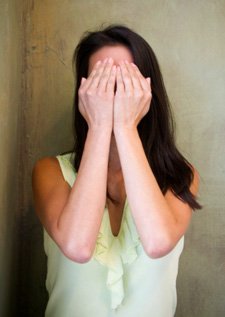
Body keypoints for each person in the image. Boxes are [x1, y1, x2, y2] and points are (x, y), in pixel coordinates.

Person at [32, 25, 201, 317]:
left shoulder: (180, 175)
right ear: (83, 93)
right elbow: (78, 247)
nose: (113, 93)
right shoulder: (50, 171)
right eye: (101, 80)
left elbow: (158, 242)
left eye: (126, 81)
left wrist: (125, 126)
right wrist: (99, 126)